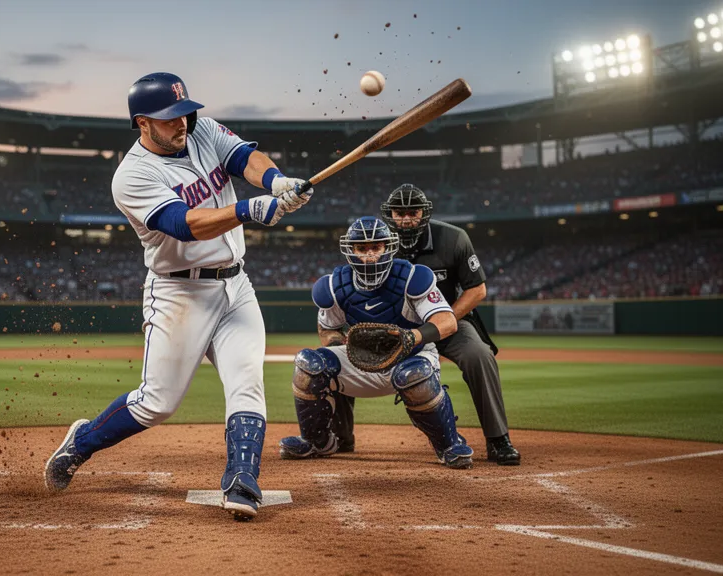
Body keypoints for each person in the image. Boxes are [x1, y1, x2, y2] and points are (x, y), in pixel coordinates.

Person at [44, 72, 315, 521]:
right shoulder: (131, 175)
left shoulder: (201, 129)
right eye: (169, 119)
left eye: (184, 113)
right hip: (179, 293)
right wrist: (249, 209)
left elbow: (245, 157)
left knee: (247, 381)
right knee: (157, 403)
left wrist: (275, 180)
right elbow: (183, 224)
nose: (182, 124)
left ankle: (242, 479)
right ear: (142, 122)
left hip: (235, 286)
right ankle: (82, 442)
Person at [277, 216, 474, 469]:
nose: (369, 255)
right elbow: (327, 328)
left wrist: (410, 337)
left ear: (387, 247)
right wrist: (340, 342)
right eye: (362, 248)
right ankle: (318, 441)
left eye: (376, 247)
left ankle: (448, 444)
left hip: (411, 357)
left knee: (416, 375)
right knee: (308, 364)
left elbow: (447, 322)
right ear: (351, 250)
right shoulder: (335, 285)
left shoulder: (413, 277)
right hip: (362, 361)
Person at [347, 183, 520, 465]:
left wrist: (445, 319)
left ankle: (498, 439)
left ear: (424, 213)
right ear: (389, 214)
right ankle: (342, 437)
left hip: (448, 317)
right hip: (397, 326)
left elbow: (477, 290)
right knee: (351, 350)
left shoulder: (453, 239)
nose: (405, 219)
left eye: (412, 212)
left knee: (479, 355)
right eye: (399, 212)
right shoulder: (378, 241)